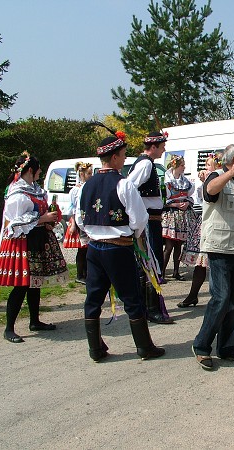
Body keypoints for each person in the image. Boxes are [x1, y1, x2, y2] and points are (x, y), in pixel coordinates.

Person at [77, 132, 164, 362]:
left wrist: (92, 236)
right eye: (124, 155)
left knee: (93, 298)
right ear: (114, 157)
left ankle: (95, 349)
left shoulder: (87, 185)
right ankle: (144, 347)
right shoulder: (123, 184)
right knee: (132, 298)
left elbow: (79, 219)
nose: (125, 160)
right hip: (118, 249)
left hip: (95, 250)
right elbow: (139, 218)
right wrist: (134, 237)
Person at [0, 152, 69, 343]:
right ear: (30, 170)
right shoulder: (17, 193)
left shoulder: (34, 189)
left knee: (35, 282)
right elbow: (13, 223)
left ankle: (35, 321)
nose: (41, 172)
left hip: (36, 239)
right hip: (21, 242)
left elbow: (36, 215)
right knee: (21, 285)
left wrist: (49, 221)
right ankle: (9, 328)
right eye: (39, 169)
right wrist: (42, 219)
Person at [192, 144, 234, 370]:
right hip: (220, 248)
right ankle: (201, 346)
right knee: (221, 297)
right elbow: (210, 191)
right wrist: (228, 173)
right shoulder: (217, 176)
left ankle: (226, 347)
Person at [128, 131, 173, 324]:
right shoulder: (145, 163)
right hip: (147, 220)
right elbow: (129, 187)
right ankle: (151, 309)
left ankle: (149, 307)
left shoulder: (147, 163)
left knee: (151, 262)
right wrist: (139, 213)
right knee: (150, 262)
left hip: (150, 219)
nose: (164, 150)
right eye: (162, 146)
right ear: (153, 147)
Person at [178, 152, 222, 308]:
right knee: (200, 263)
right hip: (203, 223)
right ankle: (193, 295)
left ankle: (221, 297)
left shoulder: (219, 180)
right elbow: (198, 199)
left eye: (209, 165)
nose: (206, 168)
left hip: (213, 224)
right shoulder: (206, 181)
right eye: (205, 165)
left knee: (216, 263)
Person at [161, 155, 195, 280]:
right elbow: (163, 200)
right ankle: (162, 273)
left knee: (178, 246)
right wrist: (175, 204)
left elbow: (191, 196)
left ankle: (176, 272)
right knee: (168, 246)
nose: (184, 167)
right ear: (175, 166)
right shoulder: (167, 181)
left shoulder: (185, 182)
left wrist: (186, 203)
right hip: (171, 215)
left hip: (181, 216)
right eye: (182, 165)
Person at [63, 161, 93, 284]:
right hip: (78, 219)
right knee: (82, 249)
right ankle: (80, 275)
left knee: (86, 248)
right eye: (89, 173)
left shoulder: (88, 187)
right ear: (82, 174)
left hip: (85, 219)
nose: (91, 175)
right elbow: (74, 208)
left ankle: (86, 273)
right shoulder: (75, 190)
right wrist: (74, 223)